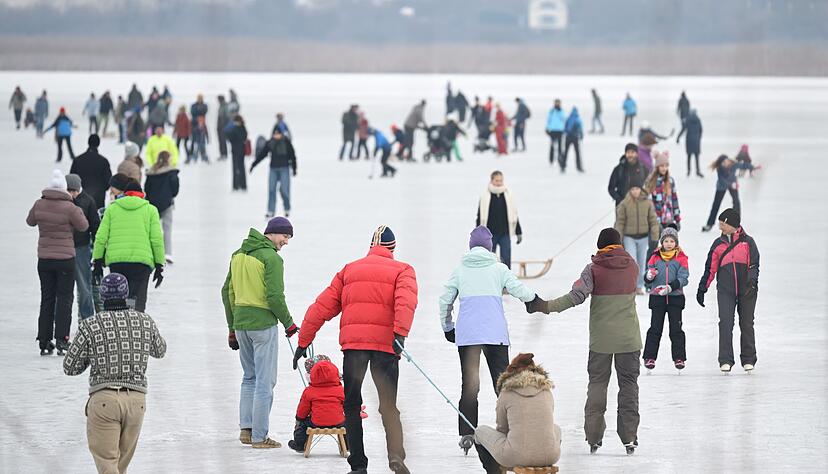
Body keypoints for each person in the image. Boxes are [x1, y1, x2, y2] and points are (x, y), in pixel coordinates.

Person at [294, 225, 417, 474]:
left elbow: (322, 306)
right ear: (392, 248)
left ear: (371, 247)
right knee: (388, 406)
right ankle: (396, 457)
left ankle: (358, 465)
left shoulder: (350, 270)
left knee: (351, 405)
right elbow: (406, 302)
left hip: (354, 348)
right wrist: (400, 334)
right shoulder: (403, 270)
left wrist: (304, 340)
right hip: (385, 347)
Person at [527, 228, 642, 455]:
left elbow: (576, 296)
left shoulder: (593, 269)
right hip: (630, 340)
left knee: (597, 386)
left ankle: (594, 438)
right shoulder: (633, 266)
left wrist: (545, 306)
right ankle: (629, 437)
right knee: (628, 387)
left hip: (601, 341)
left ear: (600, 246)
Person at [438, 225, 537, 466]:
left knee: (470, 385)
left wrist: (448, 327)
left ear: (471, 246)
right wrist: (534, 299)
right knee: (502, 384)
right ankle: (510, 429)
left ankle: (467, 433)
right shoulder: (499, 268)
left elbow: (445, 300)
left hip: (469, 335)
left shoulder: (460, 270)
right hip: (495, 335)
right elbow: (519, 289)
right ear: (491, 246)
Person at [63, 272, 167, 474]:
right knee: (120, 466)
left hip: (104, 400)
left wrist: (92, 356)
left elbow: (70, 367)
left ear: (102, 296)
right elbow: (160, 350)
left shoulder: (90, 325)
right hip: (137, 401)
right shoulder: (144, 321)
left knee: (108, 464)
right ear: (126, 294)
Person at [221, 217, 299, 449]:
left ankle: (246, 430)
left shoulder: (238, 254)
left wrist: (232, 327)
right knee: (265, 382)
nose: (286, 242)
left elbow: (227, 291)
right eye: (285, 236)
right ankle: (259, 437)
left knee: (249, 378)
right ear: (272, 233)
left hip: (242, 324)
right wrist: (289, 323)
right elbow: (275, 296)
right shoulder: (271, 258)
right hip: (263, 324)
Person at [27, 170, 89, 355]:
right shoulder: (70, 208)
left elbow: (30, 221)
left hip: (44, 259)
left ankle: (44, 340)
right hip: (65, 259)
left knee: (46, 299)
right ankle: (62, 339)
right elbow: (84, 226)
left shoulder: (39, 204)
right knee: (64, 299)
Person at [474, 353, 561, 474]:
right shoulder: (546, 390)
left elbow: (502, 429)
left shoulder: (507, 392)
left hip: (515, 456)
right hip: (550, 455)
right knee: (556, 428)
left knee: (479, 432)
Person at [697, 209, 760, 373]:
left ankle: (748, 359)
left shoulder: (749, 243)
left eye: (723, 224)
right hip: (726, 290)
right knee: (725, 323)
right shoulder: (717, 245)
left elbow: (754, 265)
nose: (720, 227)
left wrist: (752, 282)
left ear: (732, 225)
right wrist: (702, 288)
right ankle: (725, 359)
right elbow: (710, 268)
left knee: (746, 323)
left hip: (747, 290)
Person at [92, 180, 165, 312]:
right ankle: (135, 321)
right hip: (141, 264)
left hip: (117, 262)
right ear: (141, 195)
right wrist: (159, 264)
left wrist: (97, 261)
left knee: (118, 298)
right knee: (136, 298)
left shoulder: (112, 209)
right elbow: (156, 240)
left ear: (124, 195)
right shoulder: (150, 210)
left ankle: (120, 324)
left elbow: (101, 237)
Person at [642, 226, 689, 372]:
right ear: (662, 242)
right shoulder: (655, 257)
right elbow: (647, 276)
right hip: (657, 299)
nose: (669, 244)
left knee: (676, 329)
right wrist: (649, 277)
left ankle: (679, 358)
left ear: (676, 243)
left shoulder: (681, 258)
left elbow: (684, 278)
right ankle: (649, 357)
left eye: (672, 241)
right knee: (655, 328)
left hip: (675, 299)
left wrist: (671, 287)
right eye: (666, 241)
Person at [288, 357, 346, 453]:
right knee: (349, 424)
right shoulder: (341, 390)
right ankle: (348, 444)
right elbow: (347, 405)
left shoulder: (309, 391)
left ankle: (299, 444)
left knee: (302, 425)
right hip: (338, 421)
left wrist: (299, 418)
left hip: (316, 422)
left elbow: (303, 409)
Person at [66, 173, 100, 321]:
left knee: (84, 286)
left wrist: (97, 249)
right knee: (63, 288)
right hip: (64, 248)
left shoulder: (88, 201)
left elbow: (95, 225)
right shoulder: (63, 201)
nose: (71, 194)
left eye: (73, 190)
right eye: (68, 190)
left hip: (82, 247)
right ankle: (58, 317)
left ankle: (87, 317)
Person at [615, 184, 660, 295]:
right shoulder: (625, 204)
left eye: (637, 189)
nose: (635, 191)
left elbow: (653, 220)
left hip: (643, 237)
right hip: (629, 237)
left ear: (641, 189)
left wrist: (655, 234)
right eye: (633, 189)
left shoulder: (647, 203)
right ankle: (631, 286)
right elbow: (620, 222)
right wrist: (617, 237)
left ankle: (639, 286)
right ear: (630, 190)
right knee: (632, 261)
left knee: (641, 262)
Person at [476, 171, 522, 269]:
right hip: (490, 234)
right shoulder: (485, 196)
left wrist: (518, 232)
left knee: (506, 258)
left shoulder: (508, 195)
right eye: (496, 180)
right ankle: (490, 279)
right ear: (492, 180)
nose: (499, 183)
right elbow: (480, 216)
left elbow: (514, 214)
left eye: (501, 180)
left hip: (505, 233)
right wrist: (478, 234)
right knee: (489, 259)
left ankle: (506, 280)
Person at [702, 154, 759, 232]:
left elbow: (743, 165)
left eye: (726, 161)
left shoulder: (733, 165)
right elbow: (722, 180)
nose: (725, 163)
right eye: (723, 162)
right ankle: (709, 224)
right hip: (721, 186)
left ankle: (736, 224)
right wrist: (730, 184)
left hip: (733, 185)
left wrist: (752, 167)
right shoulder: (720, 169)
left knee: (736, 203)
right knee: (716, 204)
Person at [252, 128, 297, 218]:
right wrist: (254, 164)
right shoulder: (270, 143)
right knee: (271, 190)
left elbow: (292, 155)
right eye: (275, 134)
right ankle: (270, 210)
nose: (276, 136)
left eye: (278, 134)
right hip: (273, 169)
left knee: (284, 190)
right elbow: (263, 154)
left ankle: (287, 208)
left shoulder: (286, 142)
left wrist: (294, 168)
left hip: (284, 168)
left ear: (281, 134)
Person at [144, 151, 179, 264]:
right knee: (167, 229)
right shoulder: (171, 173)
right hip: (167, 204)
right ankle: (167, 253)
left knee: (153, 230)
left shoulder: (151, 173)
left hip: (152, 205)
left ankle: (152, 252)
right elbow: (175, 189)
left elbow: (147, 188)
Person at [644, 151, 681, 231]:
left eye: (666, 166)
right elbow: (647, 201)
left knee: (668, 242)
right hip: (655, 219)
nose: (664, 168)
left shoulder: (670, 181)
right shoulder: (650, 181)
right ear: (657, 167)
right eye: (662, 166)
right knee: (655, 241)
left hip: (668, 218)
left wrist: (677, 219)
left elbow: (674, 200)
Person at [225, 114, 250, 191]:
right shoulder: (241, 128)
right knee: (239, 168)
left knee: (238, 168)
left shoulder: (236, 128)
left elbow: (231, 138)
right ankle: (239, 185)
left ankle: (239, 185)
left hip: (238, 150)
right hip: (238, 150)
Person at [677, 108, 703, 177]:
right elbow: (701, 130)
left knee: (689, 156)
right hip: (696, 140)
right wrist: (698, 138)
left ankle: (688, 171)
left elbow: (683, 129)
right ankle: (698, 171)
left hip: (689, 139)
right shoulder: (698, 120)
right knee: (697, 156)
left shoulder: (687, 119)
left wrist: (678, 137)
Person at [562, 106, 584, 172]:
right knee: (577, 153)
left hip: (568, 137)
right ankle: (579, 167)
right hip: (575, 137)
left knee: (566, 152)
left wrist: (566, 133)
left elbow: (565, 128)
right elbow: (580, 128)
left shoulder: (568, 118)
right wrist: (581, 135)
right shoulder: (578, 119)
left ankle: (563, 166)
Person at [545, 99, 565, 165]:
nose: (557, 104)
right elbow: (548, 120)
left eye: (558, 103)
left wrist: (565, 129)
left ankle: (560, 159)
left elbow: (564, 119)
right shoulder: (552, 111)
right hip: (553, 130)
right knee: (552, 145)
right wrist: (547, 128)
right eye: (556, 103)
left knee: (560, 146)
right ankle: (551, 159)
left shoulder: (561, 111)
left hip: (560, 130)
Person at [217, 95, 230, 160]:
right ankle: (222, 154)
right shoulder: (221, 106)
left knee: (223, 141)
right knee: (220, 141)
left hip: (223, 126)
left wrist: (225, 126)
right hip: (219, 125)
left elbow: (227, 117)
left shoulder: (225, 106)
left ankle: (224, 154)